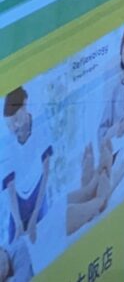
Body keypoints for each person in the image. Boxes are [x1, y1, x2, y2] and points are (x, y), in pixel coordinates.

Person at [67, 24, 124, 230]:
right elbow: (103, 128)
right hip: (116, 142)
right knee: (109, 153)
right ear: (120, 51)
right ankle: (96, 180)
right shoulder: (114, 91)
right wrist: (112, 132)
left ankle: (101, 188)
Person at [3, 88, 51, 248]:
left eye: (16, 120)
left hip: (38, 192)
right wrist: (18, 224)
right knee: (14, 246)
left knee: (43, 241)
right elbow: (10, 188)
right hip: (17, 201)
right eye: (9, 125)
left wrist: (35, 214)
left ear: (25, 106)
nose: (14, 128)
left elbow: (46, 173)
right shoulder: (7, 142)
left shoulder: (40, 125)